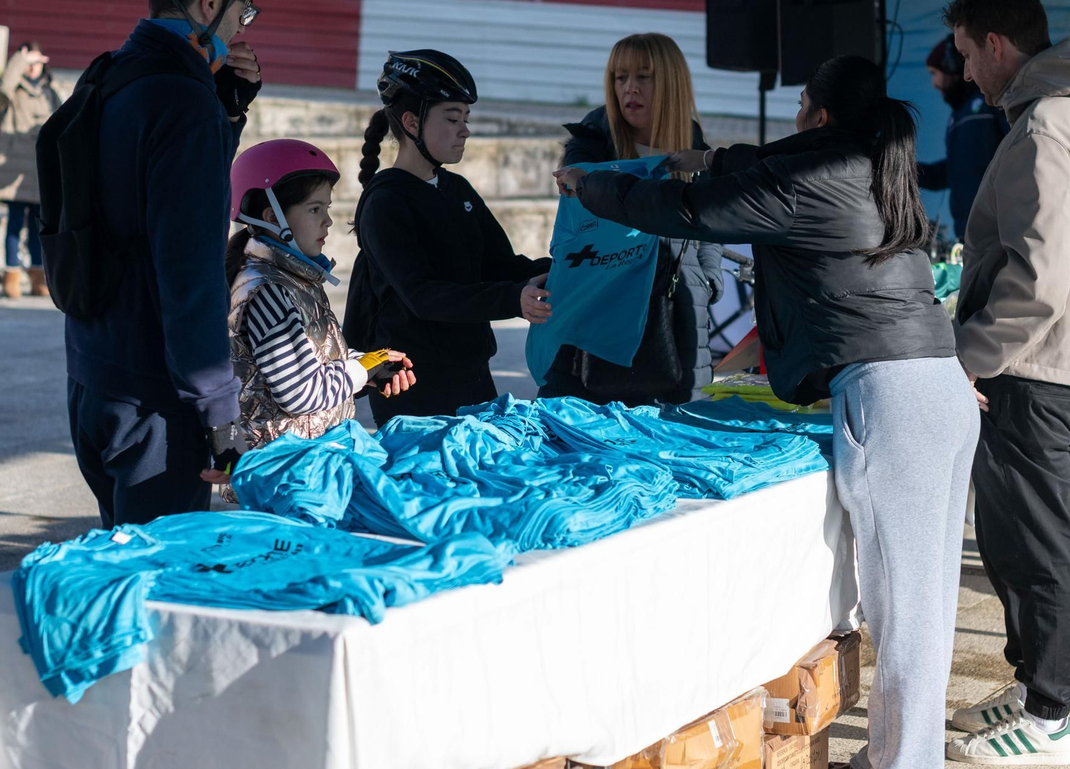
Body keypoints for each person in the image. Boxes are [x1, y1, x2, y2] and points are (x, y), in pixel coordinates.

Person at [554, 55, 975, 769]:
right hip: (935, 387)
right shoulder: (867, 164)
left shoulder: (813, 181)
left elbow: (696, 213)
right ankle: (894, 762)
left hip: (893, 394)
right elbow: (756, 167)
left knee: (903, 605)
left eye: (801, 108)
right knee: (924, 596)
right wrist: (701, 158)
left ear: (815, 116)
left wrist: (594, 185)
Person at [942, 0, 1070, 767]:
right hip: (1056, 357)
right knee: (1012, 530)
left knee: (1034, 536)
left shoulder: (1047, 126)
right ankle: (1031, 689)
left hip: (1035, 362)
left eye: (964, 55)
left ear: (997, 45)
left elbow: (1038, 278)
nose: (962, 74)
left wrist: (968, 357)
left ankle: (1050, 718)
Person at [65, 0, 273, 527]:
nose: (242, 28)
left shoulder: (111, 76)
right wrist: (220, 416)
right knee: (160, 600)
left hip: (94, 378)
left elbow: (143, 204)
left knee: (124, 571)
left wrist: (226, 116)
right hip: (156, 401)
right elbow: (190, 271)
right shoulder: (181, 101)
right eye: (244, 11)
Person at [345, 50, 554, 423]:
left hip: (470, 372)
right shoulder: (386, 202)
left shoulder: (456, 189)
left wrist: (568, 272)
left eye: (466, 118)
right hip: (412, 387)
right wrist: (513, 299)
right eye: (452, 118)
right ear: (411, 122)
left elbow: (501, 265)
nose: (465, 130)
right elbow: (424, 296)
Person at [540, 33, 723, 406]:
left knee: (675, 439)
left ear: (670, 83)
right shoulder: (591, 141)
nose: (630, 89)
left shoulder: (691, 141)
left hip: (680, 313)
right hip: (604, 320)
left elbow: (710, 222)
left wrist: (708, 275)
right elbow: (577, 219)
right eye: (620, 78)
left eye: (644, 76)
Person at [225, 139, 415, 471]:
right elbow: (300, 394)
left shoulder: (294, 279)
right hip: (283, 473)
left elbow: (313, 362)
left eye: (327, 208)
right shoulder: (268, 292)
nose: (328, 221)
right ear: (273, 217)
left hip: (307, 463)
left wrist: (372, 364)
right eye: (315, 209)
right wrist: (359, 371)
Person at [917, 35, 1008, 242]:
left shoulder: (989, 102)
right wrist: (907, 172)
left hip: (998, 233)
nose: (933, 83)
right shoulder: (957, 116)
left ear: (951, 66)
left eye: (934, 73)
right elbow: (955, 171)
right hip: (969, 235)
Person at [0, 41, 60, 299]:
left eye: (36, 62)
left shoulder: (49, 92)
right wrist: (19, 61)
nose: (32, 68)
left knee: (37, 226)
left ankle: (37, 275)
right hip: (14, 169)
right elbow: (2, 88)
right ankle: (11, 276)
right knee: (14, 223)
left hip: (41, 171)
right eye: (28, 63)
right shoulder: (13, 91)